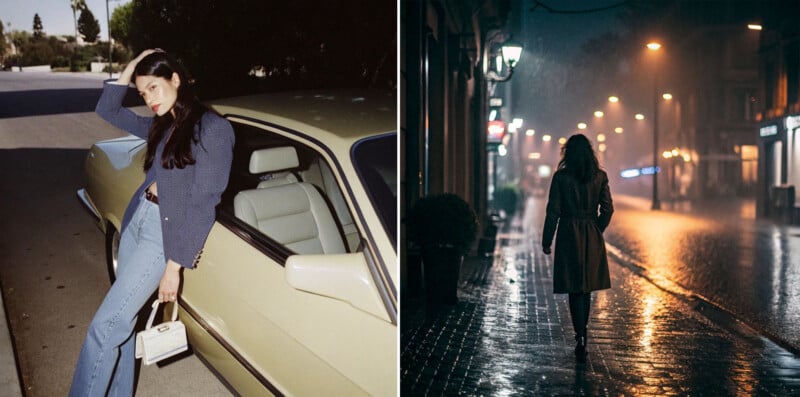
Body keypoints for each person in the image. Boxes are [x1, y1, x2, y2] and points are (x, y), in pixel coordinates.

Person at [69, 49, 234, 396]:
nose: (149, 99)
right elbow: (107, 109)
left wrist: (174, 265)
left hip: (162, 236)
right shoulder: (162, 124)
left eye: (154, 87)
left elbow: (204, 204)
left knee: (105, 327)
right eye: (143, 93)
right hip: (139, 219)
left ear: (176, 79)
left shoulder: (214, 129)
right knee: (122, 324)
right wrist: (131, 67)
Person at [541, 133, 613, 363]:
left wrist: (546, 240)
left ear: (567, 154)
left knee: (574, 287)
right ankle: (584, 333)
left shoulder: (561, 178)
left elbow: (553, 211)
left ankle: (579, 335)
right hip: (591, 232)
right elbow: (608, 209)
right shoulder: (600, 176)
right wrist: (596, 229)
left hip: (568, 233)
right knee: (586, 287)